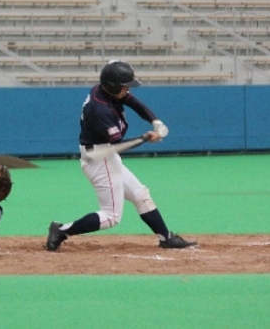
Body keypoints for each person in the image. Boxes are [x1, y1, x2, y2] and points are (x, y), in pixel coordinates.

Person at [46, 60, 196, 252]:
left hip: (105, 155)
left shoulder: (105, 91)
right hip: (100, 159)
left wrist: (155, 121)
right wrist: (146, 137)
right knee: (111, 217)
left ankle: (166, 238)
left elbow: (133, 102)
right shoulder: (100, 110)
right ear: (113, 86)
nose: (128, 89)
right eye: (125, 86)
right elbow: (118, 144)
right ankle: (61, 231)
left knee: (141, 195)